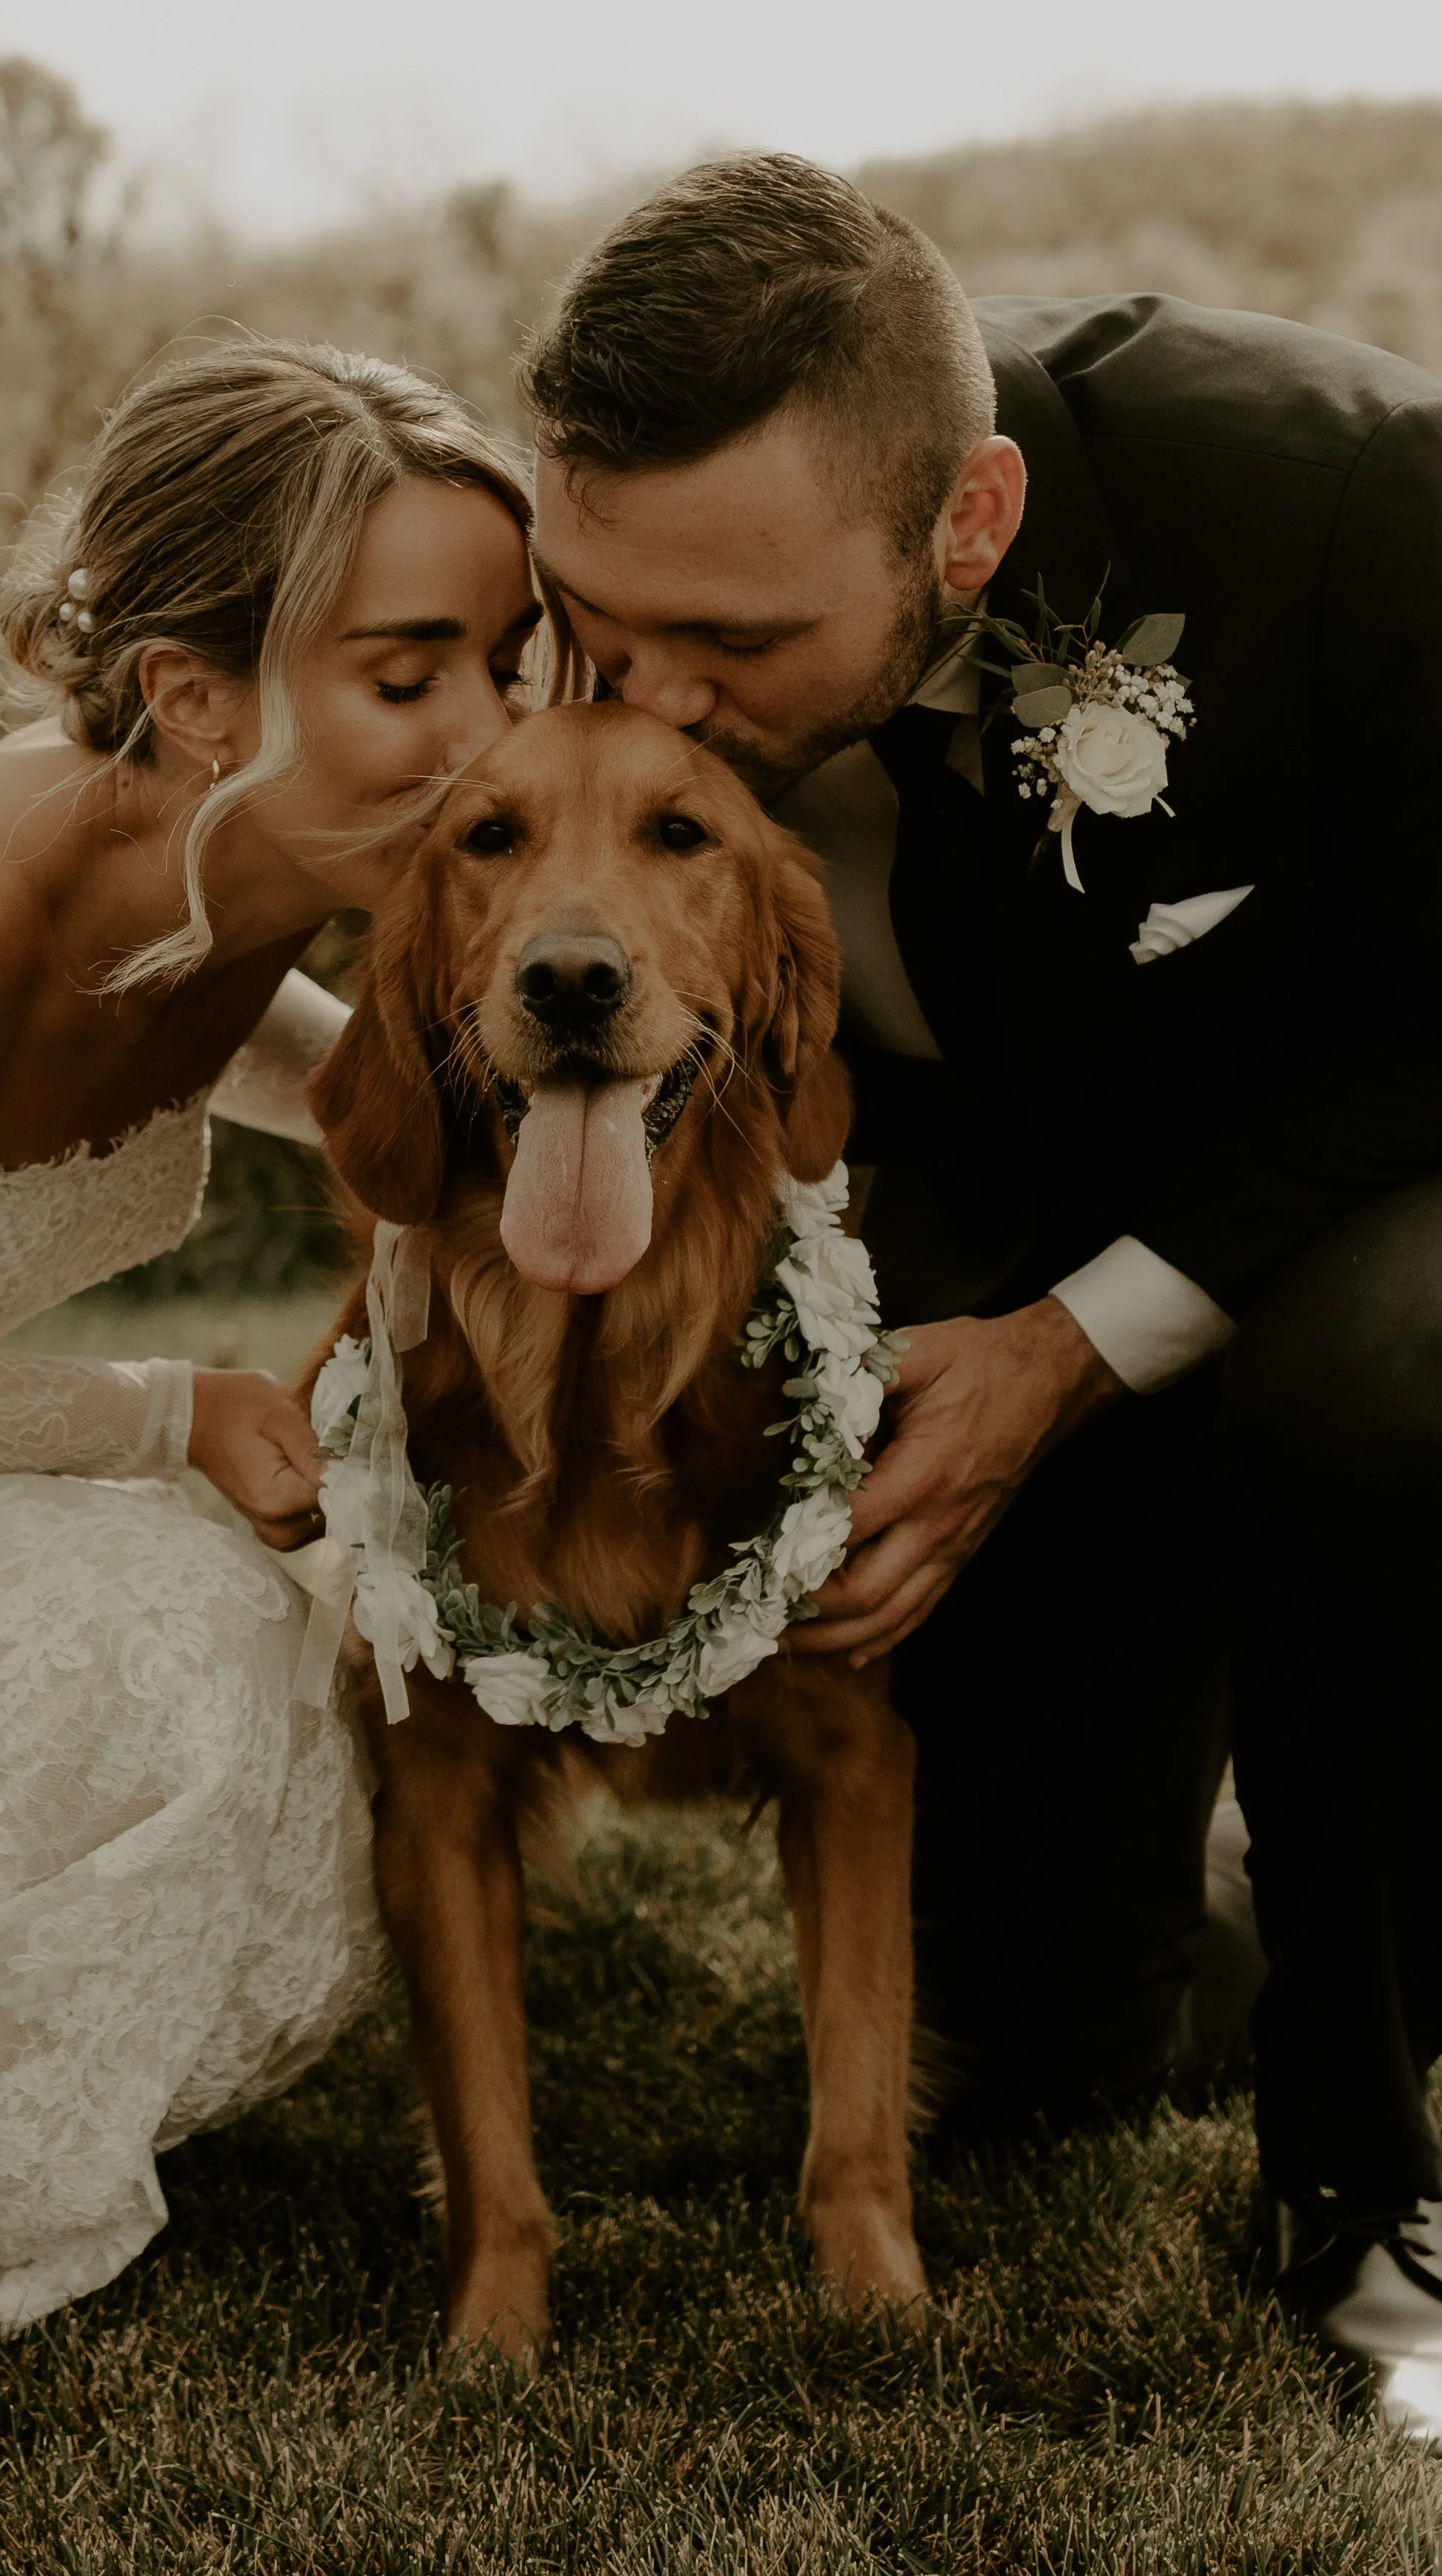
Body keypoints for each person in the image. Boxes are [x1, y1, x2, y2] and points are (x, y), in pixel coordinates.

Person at [521, 154, 1442, 2437]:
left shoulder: (1343, 504)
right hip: (933, 1205)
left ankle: (1359, 2161)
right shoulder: (625, 587)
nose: (648, 696)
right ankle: (1141, 1887)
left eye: (728, 650)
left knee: (1376, 1392)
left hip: (1335, 1209)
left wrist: (1073, 1349)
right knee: (1041, 2063)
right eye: (595, 621)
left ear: (967, 521)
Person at [0, 339, 551, 2337]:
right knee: (161, 1622)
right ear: (195, 696)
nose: (489, 729)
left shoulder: (234, 861)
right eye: (407, 674)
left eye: (508, 663)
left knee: (342, 1595)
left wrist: (451, 1133)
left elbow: (206, 1031)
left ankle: (20, 2051)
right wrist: (161, 1408)